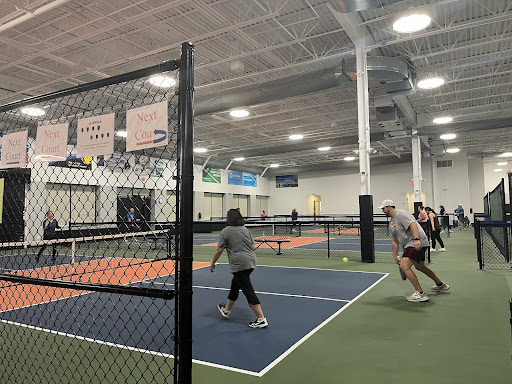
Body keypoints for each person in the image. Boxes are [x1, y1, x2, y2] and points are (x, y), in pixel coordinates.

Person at [379, 199, 450, 302]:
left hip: (416, 242)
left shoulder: (401, 214)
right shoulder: (392, 222)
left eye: (383, 209)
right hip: (410, 244)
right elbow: (394, 240)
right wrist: (395, 256)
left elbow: (413, 224)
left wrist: (416, 239)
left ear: (389, 207)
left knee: (404, 266)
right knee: (419, 266)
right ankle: (440, 285)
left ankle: (420, 294)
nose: (382, 211)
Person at [210, 209, 268, 328]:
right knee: (235, 286)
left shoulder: (225, 231)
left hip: (239, 265)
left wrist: (213, 262)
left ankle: (261, 319)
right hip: (251, 262)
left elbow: (219, 250)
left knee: (248, 290)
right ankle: (226, 310)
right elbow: (253, 246)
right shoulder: (245, 229)